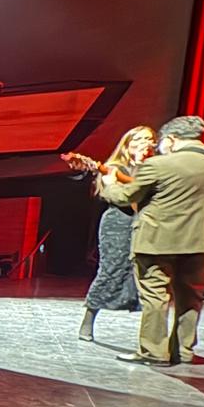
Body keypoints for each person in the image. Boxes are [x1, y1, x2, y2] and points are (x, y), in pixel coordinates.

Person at [98, 115, 204, 365]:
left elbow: (125, 196)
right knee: (191, 297)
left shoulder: (159, 165)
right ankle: (183, 351)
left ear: (172, 140)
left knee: (154, 296)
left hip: (156, 240)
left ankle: (153, 352)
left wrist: (109, 184)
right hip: (200, 242)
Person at [67, 125, 154, 341]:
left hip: (146, 224)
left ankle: (150, 335)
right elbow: (113, 195)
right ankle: (88, 321)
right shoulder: (115, 168)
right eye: (140, 138)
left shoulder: (155, 167)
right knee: (111, 270)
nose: (146, 143)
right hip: (118, 223)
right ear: (129, 143)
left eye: (150, 139)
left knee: (147, 275)